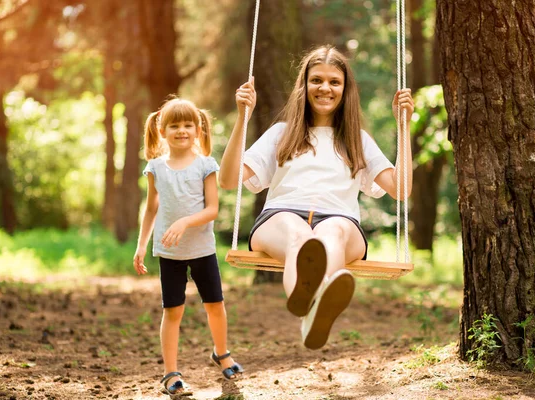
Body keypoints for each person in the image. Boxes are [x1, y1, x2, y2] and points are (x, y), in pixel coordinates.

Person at [219, 45, 414, 350]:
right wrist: (242, 119)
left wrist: (403, 127)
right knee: (299, 235)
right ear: (304, 85)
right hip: (280, 217)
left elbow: (400, 189)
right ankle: (312, 307)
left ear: (345, 89)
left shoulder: (357, 140)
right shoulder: (281, 133)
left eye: (334, 82)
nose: (325, 88)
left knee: (330, 234)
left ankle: (317, 306)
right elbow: (228, 180)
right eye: (317, 80)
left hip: (340, 220)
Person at [133, 97, 243, 396]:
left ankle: (221, 354)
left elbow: (212, 210)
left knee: (215, 306)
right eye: (174, 125)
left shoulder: (206, 165)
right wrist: (142, 245)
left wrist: (184, 222)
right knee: (173, 312)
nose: (182, 130)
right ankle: (171, 373)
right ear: (162, 129)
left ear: (198, 129)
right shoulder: (155, 167)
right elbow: (151, 208)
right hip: (170, 254)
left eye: (187, 125)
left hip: (202, 249)